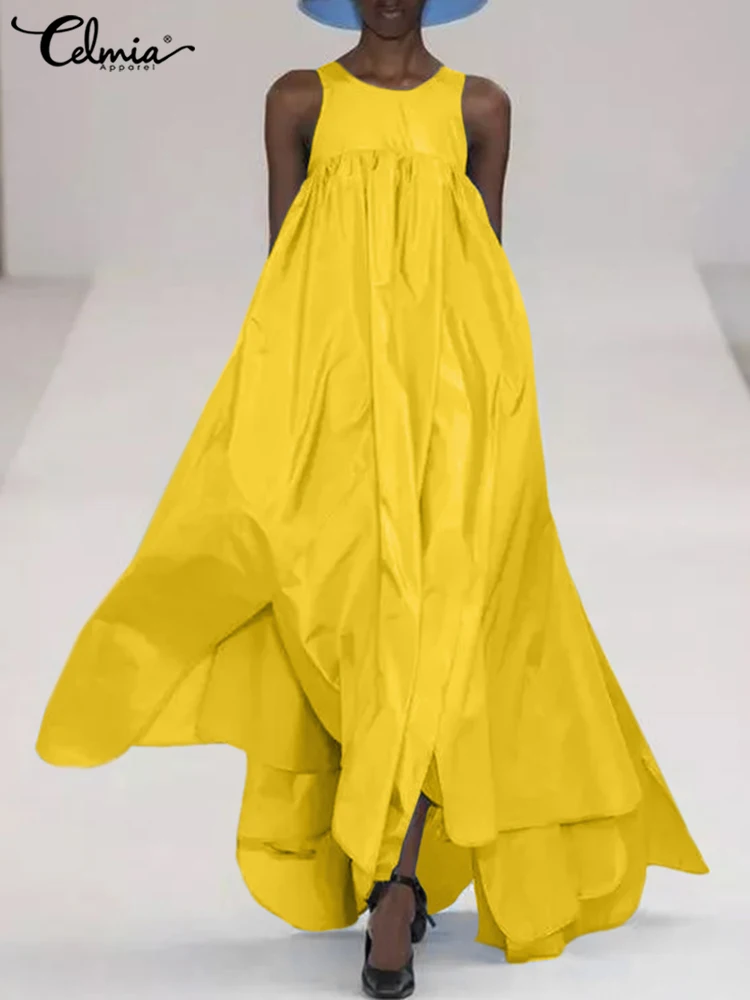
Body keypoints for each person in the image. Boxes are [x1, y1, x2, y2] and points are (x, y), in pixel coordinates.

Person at [35, 1, 708, 998]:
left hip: (459, 404)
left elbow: (484, 268)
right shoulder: (299, 100)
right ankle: (383, 850)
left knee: (449, 622)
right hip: (339, 402)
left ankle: (397, 884)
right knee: (350, 617)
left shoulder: (481, 107)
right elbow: (285, 272)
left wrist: (494, 412)